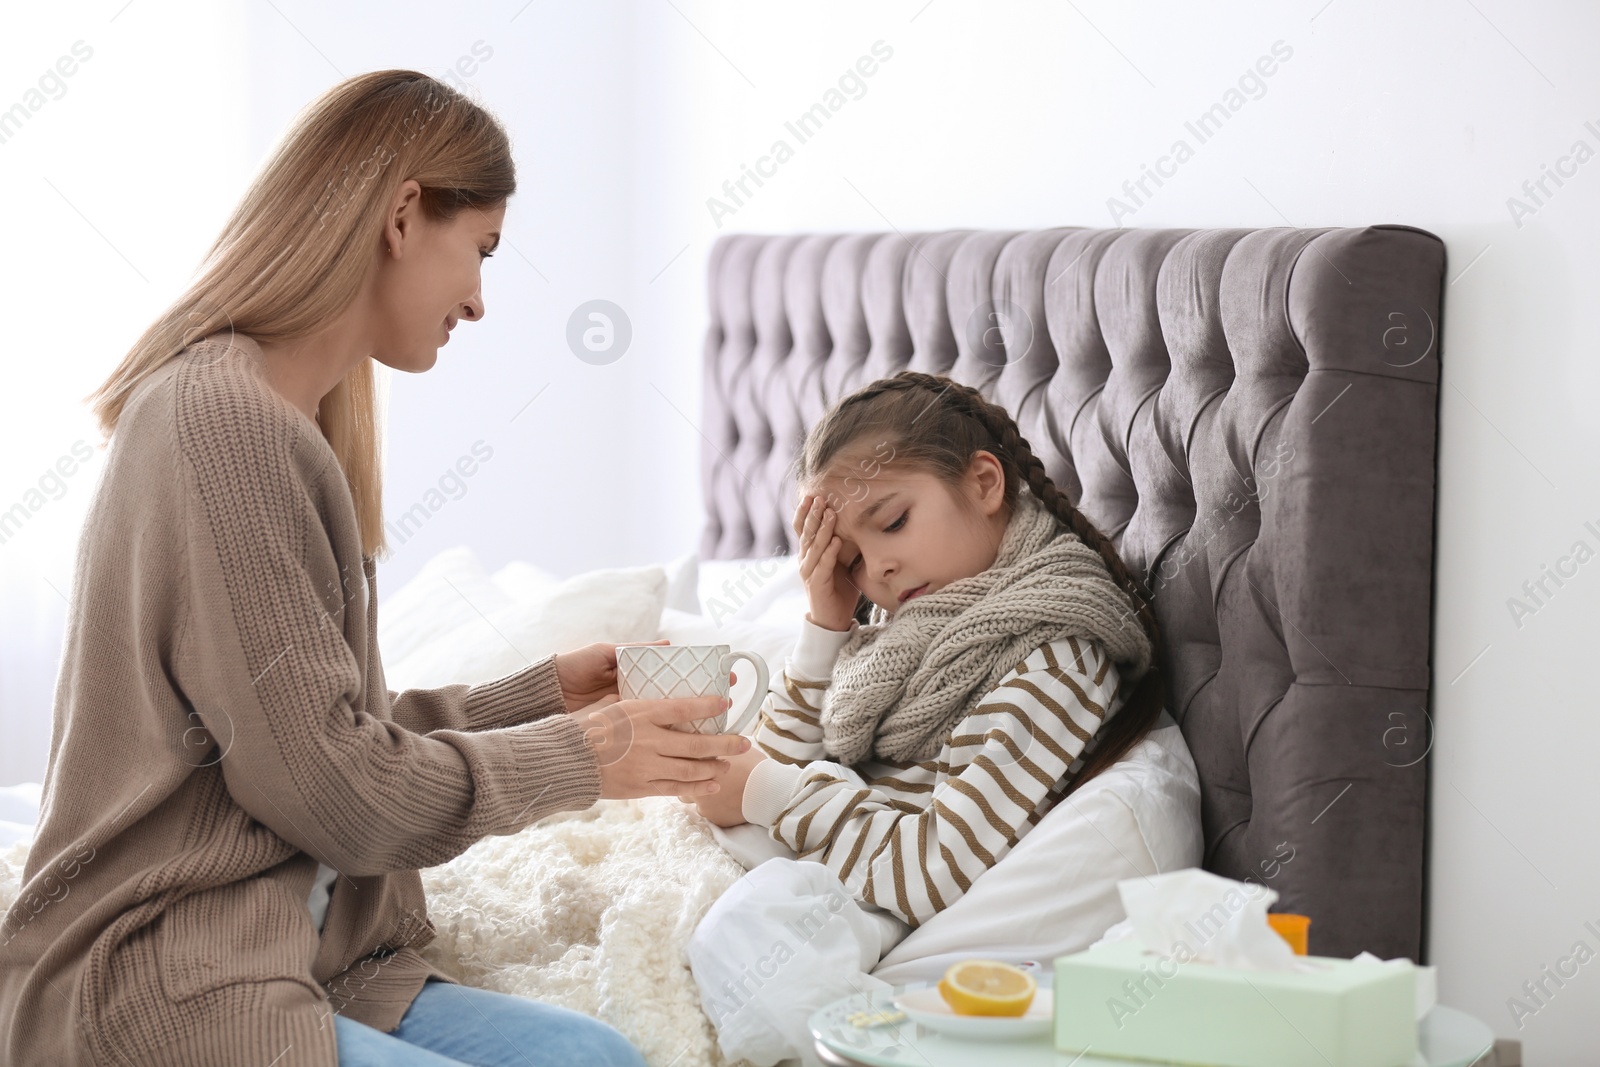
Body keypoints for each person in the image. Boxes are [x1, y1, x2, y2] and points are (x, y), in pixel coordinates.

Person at [0, 70, 748, 1067]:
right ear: (403, 216)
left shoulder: (267, 413)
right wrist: (587, 753)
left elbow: (306, 733)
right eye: (479, 250)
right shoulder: (225, 427)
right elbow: (338, 794)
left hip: (303, 951)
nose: (479, 300)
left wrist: (541, 697)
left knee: (593, 1054)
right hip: (165, 970)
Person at [682, 371, 1170, 1062]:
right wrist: (826, 619)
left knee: (745, 928)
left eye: (892, 522)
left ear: (983, 483)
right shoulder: (906, 634)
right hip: (833, 855)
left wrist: (767, 792)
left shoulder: (1057, 653)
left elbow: (933, 868)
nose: (877, 566)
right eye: (851, 555)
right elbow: (785, 755)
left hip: (871, 888)